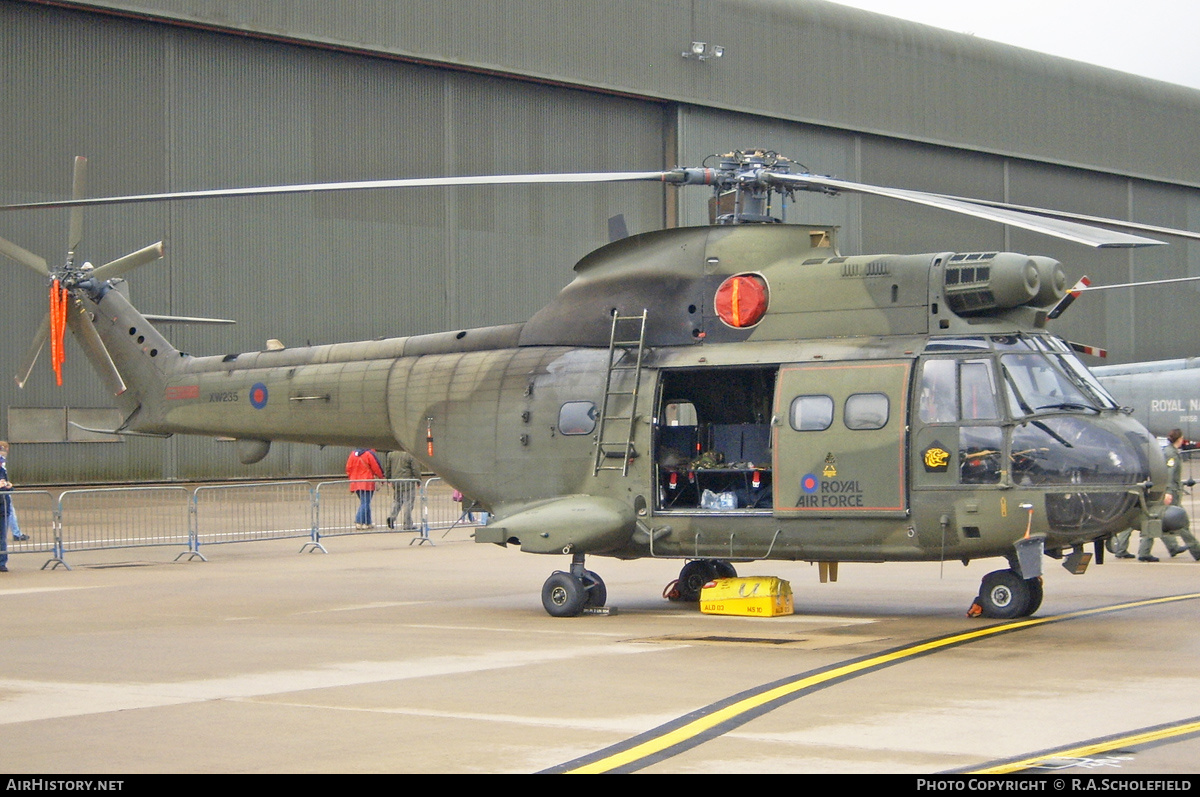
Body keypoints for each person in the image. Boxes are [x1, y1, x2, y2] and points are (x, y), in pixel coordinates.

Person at [1137, 429, 1200, 562]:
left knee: (1157, 520)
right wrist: (1167, 492)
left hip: (1172, 492)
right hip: (1171, 493)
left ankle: (1146, 551)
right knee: (1181, 522)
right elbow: (1169, 475)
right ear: (1180, 439)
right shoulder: (1170, 453)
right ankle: (1196, 551)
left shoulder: (1171, 452)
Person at [345, 448, 384, 529]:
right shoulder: (369, 454)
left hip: (355, 482)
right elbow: (376, 467)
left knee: (365, 502)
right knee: (365, 502)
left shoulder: (352, 454)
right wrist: (381, 478)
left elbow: (348, 468)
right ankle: (358, 521)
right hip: (367, 481)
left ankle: (368, 522)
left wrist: (351, 478)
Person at [384, 449, 420, 530]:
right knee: (408, 503)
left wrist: (388, 478)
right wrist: (418, 480)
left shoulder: (391, 454)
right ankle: (407, 524)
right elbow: (415, 468)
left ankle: (392, 517)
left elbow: (388, 468)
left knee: (397, 501)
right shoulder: (409, 454)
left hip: (396, 481)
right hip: (408, 482)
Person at [0, 442, 28, 543]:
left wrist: (8, 485)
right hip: (3, 496)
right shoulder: (2, 464)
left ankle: (17, 532)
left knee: (10, 512)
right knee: (10, 512)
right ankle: (17, 533)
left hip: (5, 494)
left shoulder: (3, 465)